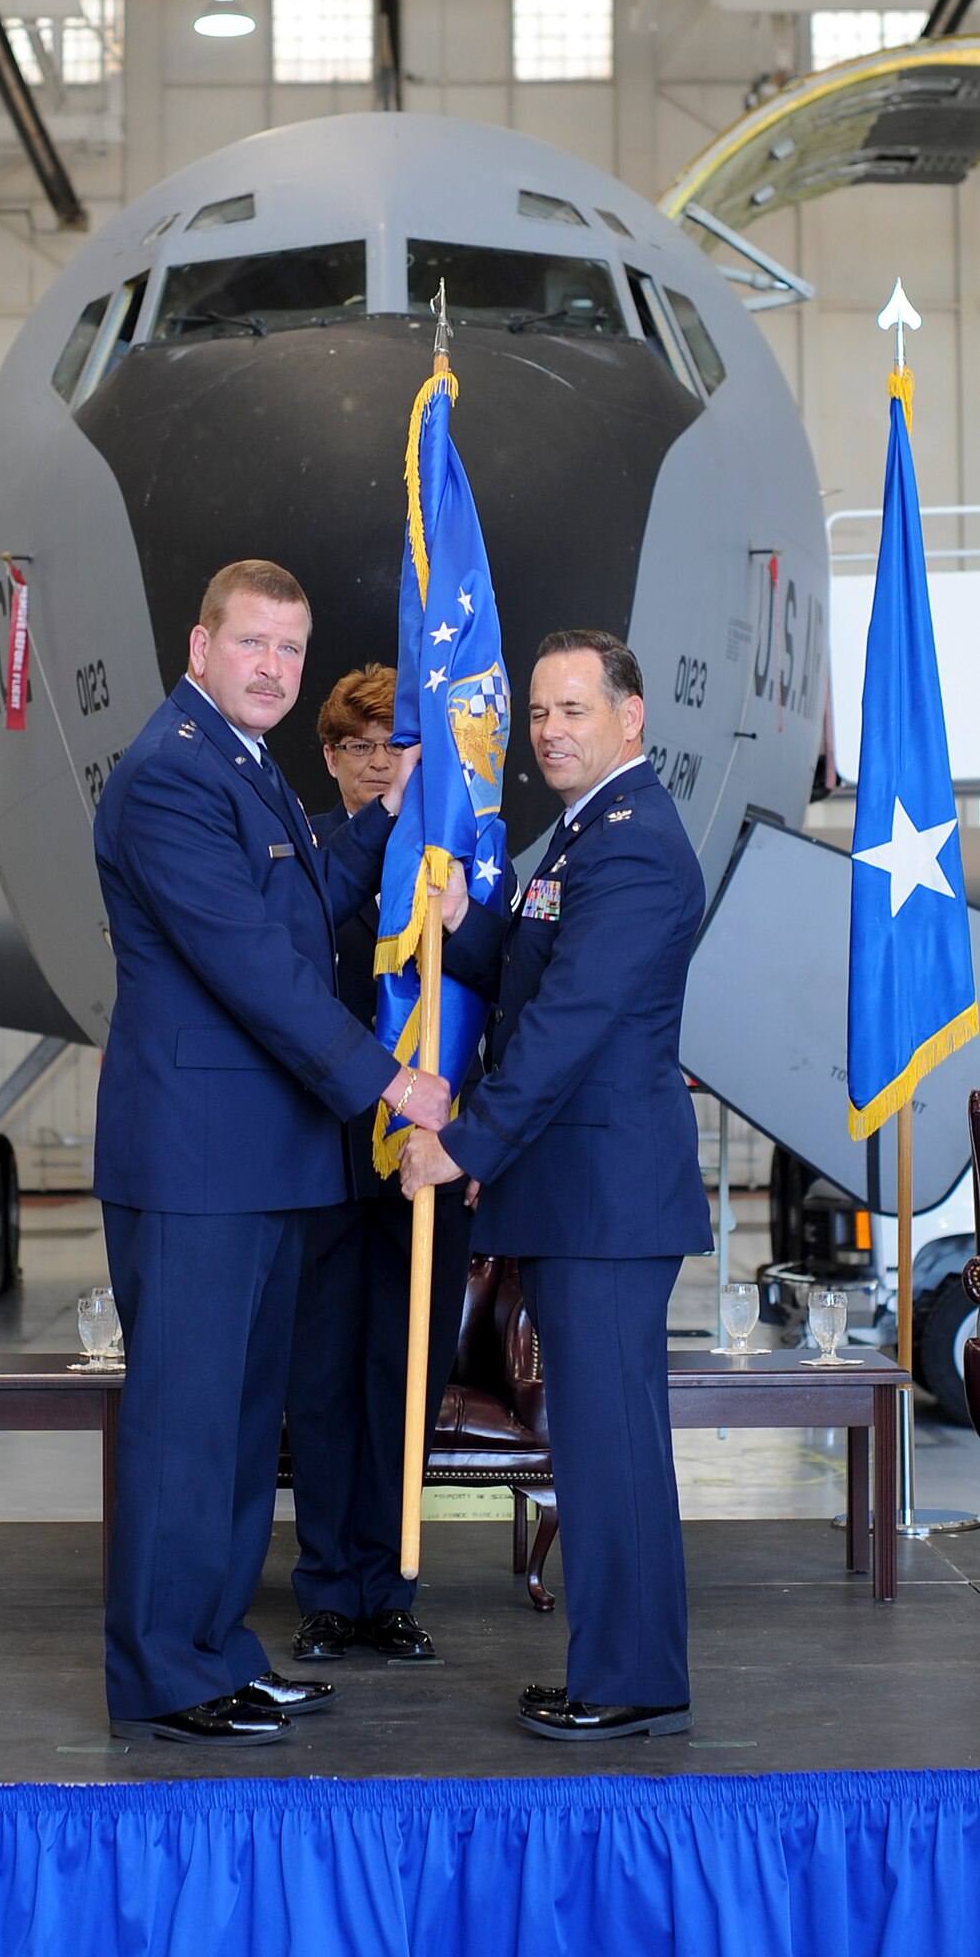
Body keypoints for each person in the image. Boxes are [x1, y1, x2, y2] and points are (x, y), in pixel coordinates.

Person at [93, 560, 450, 1747]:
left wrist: (397, 808)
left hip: (257, 1164)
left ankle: (214, 1649)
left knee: (243, 1431)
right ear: (199, 649)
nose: (274, 669)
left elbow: (317, 895)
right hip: (198, 1166)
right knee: (184, 1428)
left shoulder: (248, 772)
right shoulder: (168, 776)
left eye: (290, 651)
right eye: (252, 644)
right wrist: (385, 1076)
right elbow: (255, 964)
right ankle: (161, 1670)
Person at [401, 629, 711, 1743]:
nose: (548, 730)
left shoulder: (630, 845)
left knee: (610, 1440)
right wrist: (467, 926)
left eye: (574, 708)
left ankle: (628, 1676)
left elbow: (571, 1024)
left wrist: (466, 1143)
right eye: (537, 712)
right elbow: (542, 972)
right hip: (586, 1187)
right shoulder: (584, 839)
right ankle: (622, 1665)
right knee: (595, 1436)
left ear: (630, 715)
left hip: (604, 1191)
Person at [286, 664, 475, 1664]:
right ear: (327, 757)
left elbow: (495, 1011)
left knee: (404, 1375)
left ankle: (390, 1587)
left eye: (394, 745)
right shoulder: (303, 861)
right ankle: (326, 1588)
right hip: (319, 1161)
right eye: (356, 745)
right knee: (319, 1383)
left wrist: (477, 1137)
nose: (375, 763)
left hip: (424, 1166)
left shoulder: (454, 865)